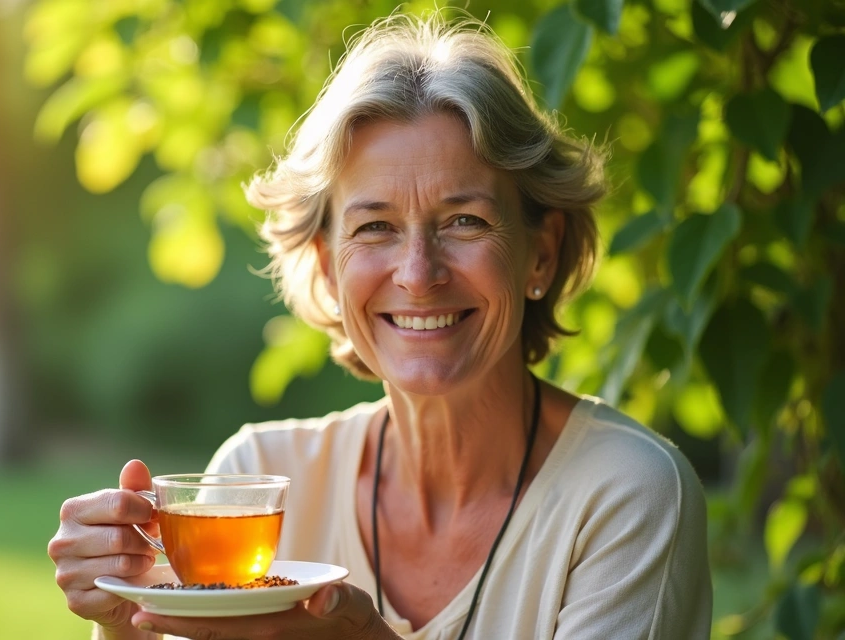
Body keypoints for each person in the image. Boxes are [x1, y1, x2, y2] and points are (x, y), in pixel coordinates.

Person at [48, 13, 712, 640]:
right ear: (328, 270)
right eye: (375, 229)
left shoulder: (626, 491)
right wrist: (122, 615)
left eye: (465, 221)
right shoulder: (259, 475)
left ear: (540, 252)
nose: (418, 273)